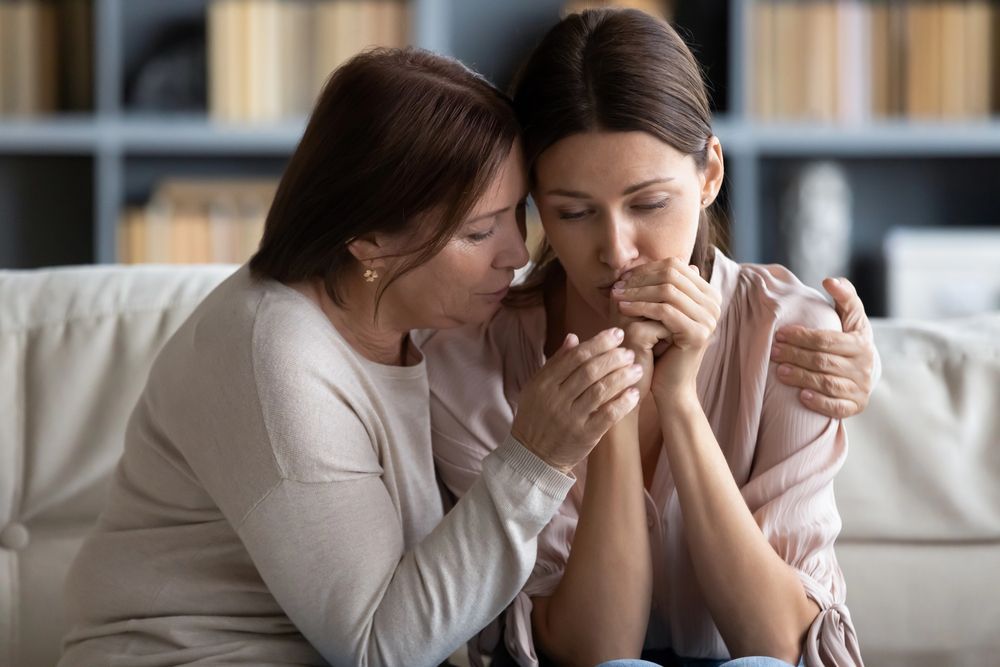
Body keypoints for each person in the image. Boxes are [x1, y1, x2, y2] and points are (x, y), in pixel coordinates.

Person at [58, 49, 644, 667]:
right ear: (368, 241)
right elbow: (377, 650)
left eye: (516, 214)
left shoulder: (420, 319)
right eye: (478, 232)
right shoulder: (276, 356)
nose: (517, 255)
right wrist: (532, 462)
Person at [421, 9, 873, 667]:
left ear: (708, 174)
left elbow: (778, 645)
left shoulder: (794, 333)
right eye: (573, 213)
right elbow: (595, 651)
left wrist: (682, 402)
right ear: (536, 206)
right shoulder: (473, 361)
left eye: (649, 203)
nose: (616, 249)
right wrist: (619, 400)